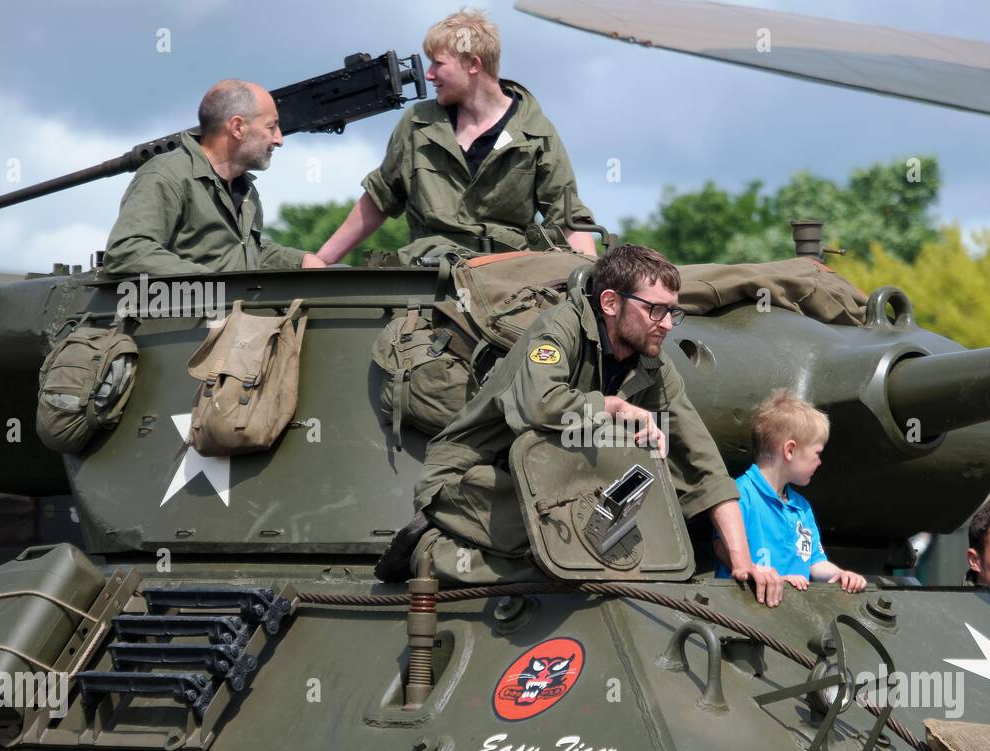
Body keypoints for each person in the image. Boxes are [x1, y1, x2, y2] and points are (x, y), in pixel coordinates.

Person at [374, 243, 784, 606]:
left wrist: (743, 561)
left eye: (672, 312)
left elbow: (702, 462)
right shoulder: (558, 330)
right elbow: (539, 406)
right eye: (654, 309)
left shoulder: (653, 365)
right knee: (569, 563)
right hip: (471, 477)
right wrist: (615, 408)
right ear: (610, 302)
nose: (664, 323)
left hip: (555, 485)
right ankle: (428, 548)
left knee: (623, 561)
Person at [315, 7, 597, 265]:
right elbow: (379, 198)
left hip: (505, 279)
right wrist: (321, 260)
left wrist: (590, 283)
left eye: (438, 64)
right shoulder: (418, 124)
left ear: (473, 65)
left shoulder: (535, 132)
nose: (428, 74)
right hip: (426, 272)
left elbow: (567, 218)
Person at [104, 80, 323, 276]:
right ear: (237, 127)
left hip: (230, 315)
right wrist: (212, 285)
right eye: (271, 126)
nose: (279, 139)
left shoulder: (244, 190)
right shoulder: (166, 176)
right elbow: (128, 251)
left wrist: (300, 261)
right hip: (184, 318)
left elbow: (239, 252)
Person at [715, 389, 867, 593]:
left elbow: (814, 562)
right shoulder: (740, 494)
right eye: (817, 453)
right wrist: (765, 575)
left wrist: (838, 574)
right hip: (747, 604)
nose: (820, 462)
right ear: (790, 450)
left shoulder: (801, 508)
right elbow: (722, 546)